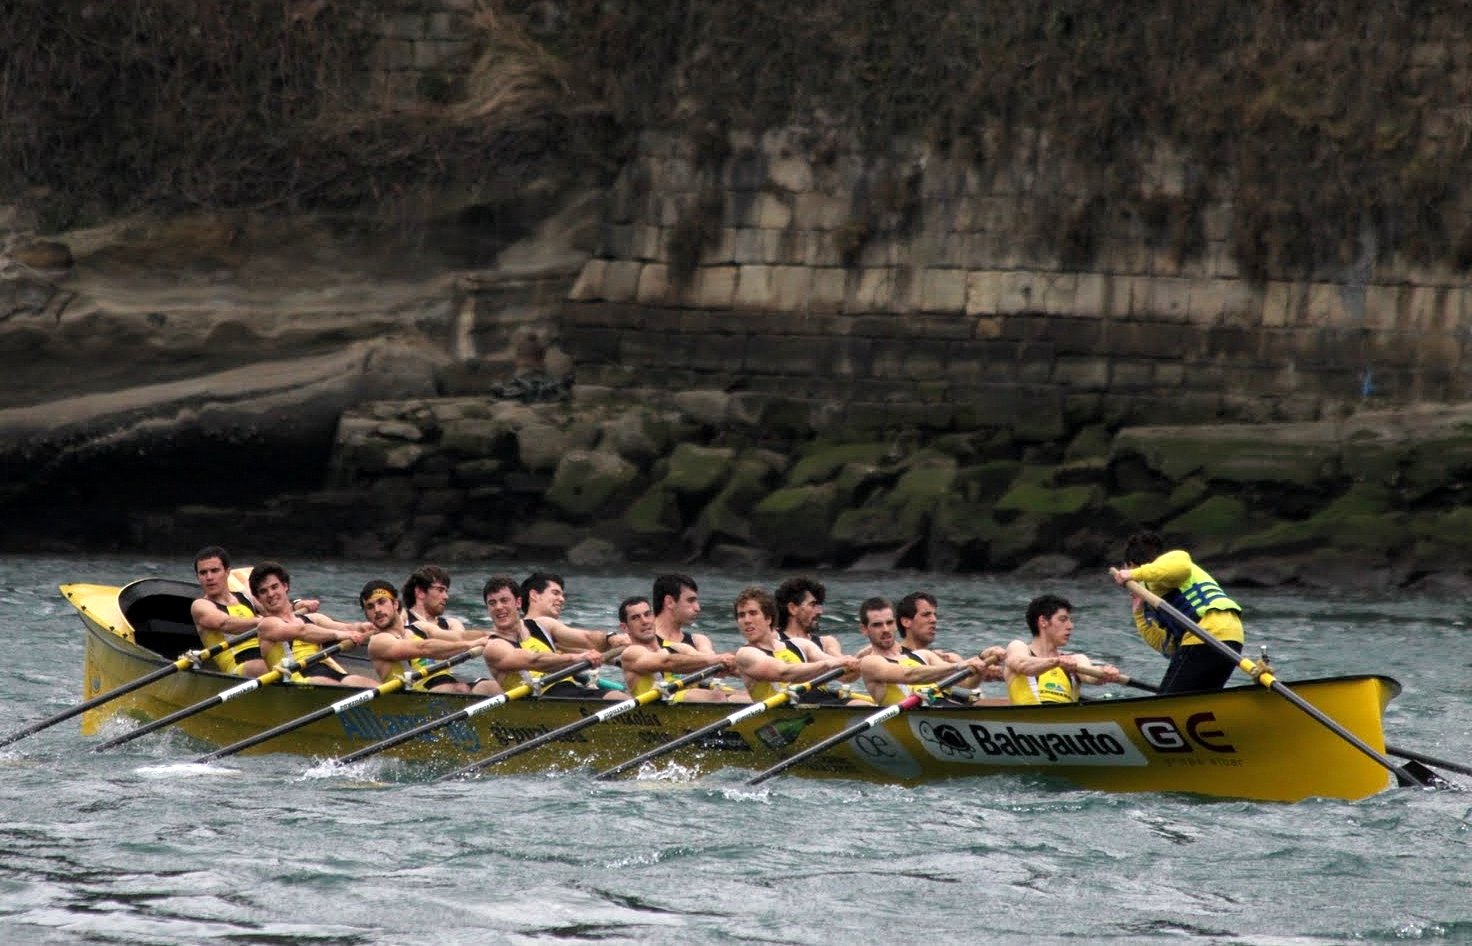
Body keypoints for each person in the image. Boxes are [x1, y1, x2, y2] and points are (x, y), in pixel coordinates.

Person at [1111, 530, 1245, 693]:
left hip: (1206, 633)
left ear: (1131, 564)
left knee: (1165, 702)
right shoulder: (1154, 594)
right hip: (1231, 637)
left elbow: (1180, 569)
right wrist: (1139, 614)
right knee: (1200, 699)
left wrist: (1134, 574)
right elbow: (1168, 647)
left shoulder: (1173, 558)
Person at [475, 575, 618, 700]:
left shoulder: (543, 624)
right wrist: (577, 658)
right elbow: (535, 661)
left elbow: (588, 638)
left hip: (570, 692)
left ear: (518, 603)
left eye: (504, 600)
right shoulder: (494, 647)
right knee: (617, 699)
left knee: (618, 696)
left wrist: (611, 639)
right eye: (492, 603)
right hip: (542, 702)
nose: (499, 607)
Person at [248, 562, 379, 687]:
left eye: (274, 587)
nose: (271, 594)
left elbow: (348, 628)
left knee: (365, 683)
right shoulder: (267, 625)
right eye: (263, 591)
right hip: (295, 680)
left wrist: (363, 627)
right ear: (258, 598)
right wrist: (341, 635)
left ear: (285, 586)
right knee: (332, 685)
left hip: (327, 672)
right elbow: (302, 631)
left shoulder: (313, 618)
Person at [731, 586, 865, 705]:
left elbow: (846, 677)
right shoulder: (746, 654)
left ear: (768, 618)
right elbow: (784, 672)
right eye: (741, 616)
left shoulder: (801, 645)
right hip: (787, 715)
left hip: (821, 704)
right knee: (860, 706)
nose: (747, 620)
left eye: (753, 613)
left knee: (862, 704)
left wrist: (859, 661)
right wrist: (829, 664)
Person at [857, 597, 996, 707]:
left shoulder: (924, 655)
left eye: (889, 622)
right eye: (877, 625)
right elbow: (911, 675)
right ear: (864, 629)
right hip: (917, 720)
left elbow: (969, 683)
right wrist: (958, 665)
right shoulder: (870, 662)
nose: (886, 629)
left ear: (895, 623)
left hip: (947, 710)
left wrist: (982, 665)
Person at [361, 580, 490, 694]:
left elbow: (460, 636)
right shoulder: (378, 641)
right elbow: (423, 648)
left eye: (381, 602)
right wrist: (470, 645)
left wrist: (490, 635)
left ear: (395, 604)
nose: (377, 610)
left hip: (448, 686)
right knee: (461, 689)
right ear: (367, 615)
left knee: (491, 687)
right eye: (370, 607)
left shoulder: (420, 627)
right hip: (418, 697)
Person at [1004, 594, 1121, 705]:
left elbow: (1090, 676)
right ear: (1043, 621)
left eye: (1070, 620)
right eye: (1063, 619)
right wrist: (1056, 662)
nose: (1070, 626)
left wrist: (1104, 672)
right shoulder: (1018, 647)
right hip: (1026, 719)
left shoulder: (1076, 658)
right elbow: (1022, 664)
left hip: (1067, 721)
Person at [617, 595, 737, 703]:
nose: (644, 621)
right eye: (635, 618)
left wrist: (731, 664)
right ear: (625, 627)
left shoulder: (680, 648)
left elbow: (705, 660)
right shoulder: (631, 653)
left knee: (745, 697)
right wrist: (716, 659)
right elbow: (666, 662)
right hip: (657, 708)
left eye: (647, 614)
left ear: (654, 617)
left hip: (683, 699)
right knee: (717, 697)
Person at [189, 545, 268, 677]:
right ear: (198, 577)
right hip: (239, 667)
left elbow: (278, 610)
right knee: (261, 665)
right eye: (203, 573)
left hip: (267, 657)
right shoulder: (200, 605)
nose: (209, 577)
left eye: (214, 571)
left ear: (227, 572)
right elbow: (224, 624)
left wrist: (299, 604)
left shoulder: (246, 597)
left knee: (314, 619)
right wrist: (262, 622)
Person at [774, 576, 843, 656]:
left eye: (819, 606)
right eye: (813, 605)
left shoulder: (827, 643)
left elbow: (840, 659)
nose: (820, 612)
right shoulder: (773, 640)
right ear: (792, 608)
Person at [651, 573, 713, 653]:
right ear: (669, 602)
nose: (697, 608)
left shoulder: (698, 641)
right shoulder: (638, 640)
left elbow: (711, 659)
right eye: (690, 600)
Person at [401, 565, 468, 634]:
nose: (446, 597)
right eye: (440, 590)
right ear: (420, 592)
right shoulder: (402, 618)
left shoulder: (451, 624)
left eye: (446, 591)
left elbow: (460, 637)